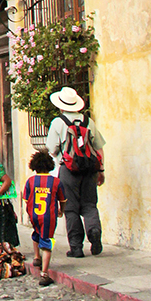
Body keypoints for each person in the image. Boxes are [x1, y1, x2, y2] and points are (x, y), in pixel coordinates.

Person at [45, 86, 105, 258]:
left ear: (61, 105)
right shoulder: (88, 121)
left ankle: (76, 247)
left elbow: (52, 148)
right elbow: (98, 148)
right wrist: (101, 170)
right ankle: (94, 231)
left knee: (70, 208)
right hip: (89, 169)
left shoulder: (58, 122)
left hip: (68, 169)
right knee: (90, 204)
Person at [24, 151, 65, 286]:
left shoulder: (30, 181)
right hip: (48, 215)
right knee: (47, 242)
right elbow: (62, 199)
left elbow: (26, 199)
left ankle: (36, 257)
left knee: (36, 233)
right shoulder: (56, 182)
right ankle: (44, 273)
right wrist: (61, 210)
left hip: (34, 214)